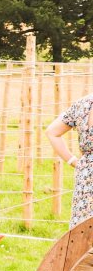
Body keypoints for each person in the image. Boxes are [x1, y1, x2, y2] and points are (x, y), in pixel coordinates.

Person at [47, 95, 93, 227]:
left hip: (85, 176)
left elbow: (52, 132)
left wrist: (74, 161)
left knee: (82, 230)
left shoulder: (82, 104)